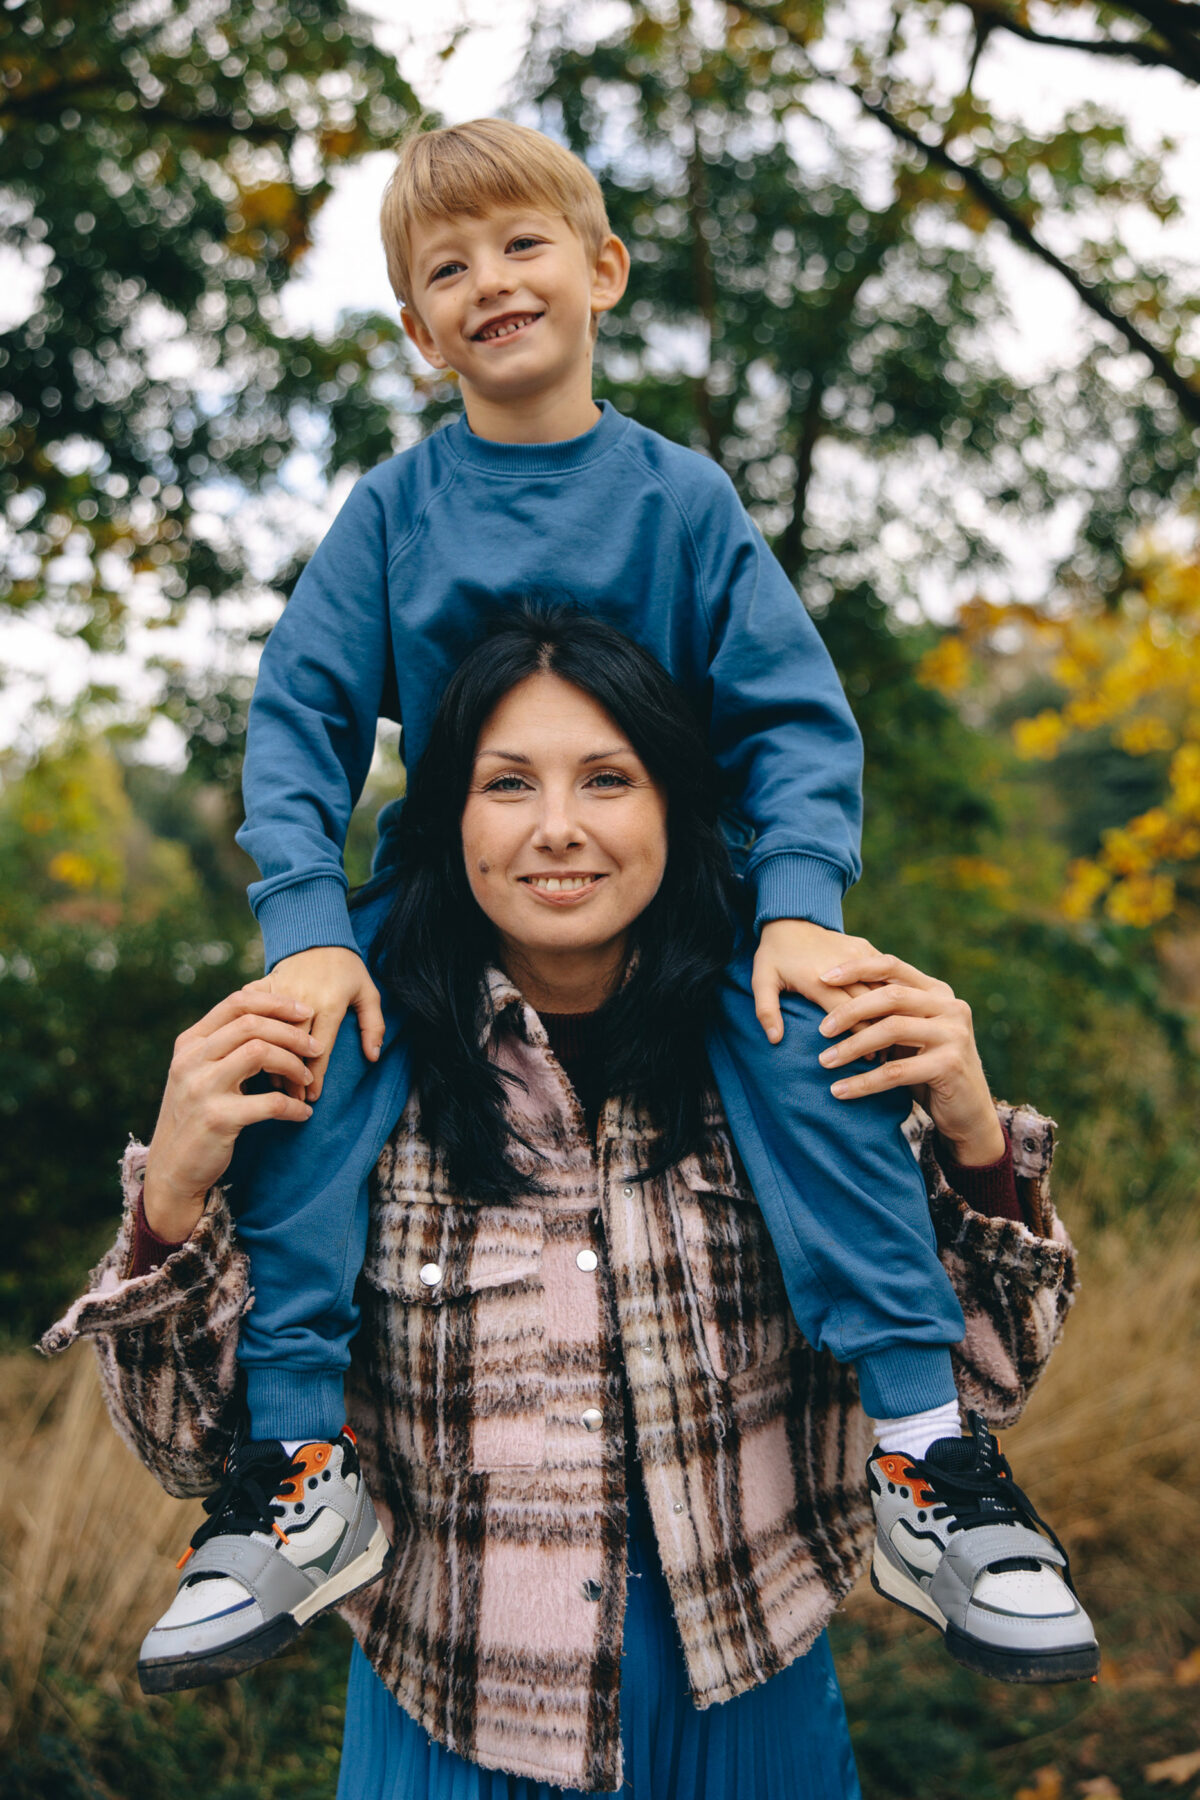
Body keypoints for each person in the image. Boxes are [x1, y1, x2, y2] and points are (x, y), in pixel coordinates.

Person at [183, 115, 1083, 1681]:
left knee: (817, 1049)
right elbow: (300, 722)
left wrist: (799, 902)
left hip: (698, 897)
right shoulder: (393, 515)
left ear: (602, 269)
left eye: (523, 245)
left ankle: (928, 1460)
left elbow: (794, 720)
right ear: (417, 329)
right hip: (429, 902)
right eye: (446, 269)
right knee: (309, 1065)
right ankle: (294, 1470)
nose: (490, 283)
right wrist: (304, 930)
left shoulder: (677, 502)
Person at [44, 613, 1096, 1798]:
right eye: (507, 783)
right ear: (449, 816)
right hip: (450, 1732)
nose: (557, 828)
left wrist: (971, 1141)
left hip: (757, 1715)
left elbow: (995, 1385)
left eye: (609, 778)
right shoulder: (337, 1069)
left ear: (673, 807)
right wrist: (173, 1199)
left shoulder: (801, 1052)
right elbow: (186, 1452)